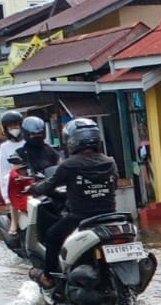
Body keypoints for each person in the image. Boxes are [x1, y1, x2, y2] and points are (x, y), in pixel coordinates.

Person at [27, 118, 116, 288]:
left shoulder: (69, 164)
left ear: (72, 140)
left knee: (52, 236)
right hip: (110, 216)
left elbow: (49, 184)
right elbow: (114, 183)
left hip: (81, 216)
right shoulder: (109, 161)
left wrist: (33, 189)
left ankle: (48, 276)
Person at [0, 110, 24, 206]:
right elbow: (3, 172)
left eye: (16, 125)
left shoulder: (28, 142)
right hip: (16, 189)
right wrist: (6, 197)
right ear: (5, 128)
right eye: (10, 126)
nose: (14, 128)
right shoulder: (4, 147)